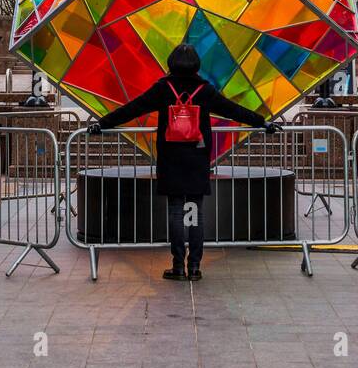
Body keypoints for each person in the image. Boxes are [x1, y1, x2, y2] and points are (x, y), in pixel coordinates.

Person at [88, 44, 281, 281]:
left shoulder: (163, 88)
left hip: (171, 158)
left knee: (176, 212)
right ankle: (195, 267)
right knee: (196, 213)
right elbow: (234, 111)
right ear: (196, 65)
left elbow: (133, 108)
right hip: (197, 158)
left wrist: (102, 123)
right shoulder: (205, 90)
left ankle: (178, 265)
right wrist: (263, 123)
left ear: (171, 64)